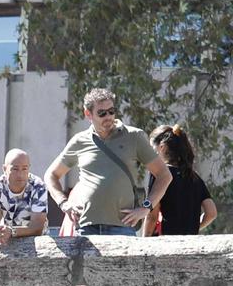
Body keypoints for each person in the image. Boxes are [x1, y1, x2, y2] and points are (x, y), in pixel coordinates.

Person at [44, 87, 170, 236]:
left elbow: (164, 175)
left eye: (111, 111)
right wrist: (63, 203)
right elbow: (51, 175)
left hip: (122, 227)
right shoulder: (79, 141)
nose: (108, 116)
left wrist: (146, 207)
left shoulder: (134, 136)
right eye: (102, 113)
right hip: (86, 228)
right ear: (88, 114)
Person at [147, 125, 215, 236]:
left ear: (162, 147)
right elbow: (211, 213)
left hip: (165, 244)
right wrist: (194, 227)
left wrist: (145, 242)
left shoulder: (160, 174)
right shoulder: (194, 177)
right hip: (190, 244)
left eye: (151, 148)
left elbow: (152, 215)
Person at [0, 148, 51, 243]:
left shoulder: (38, 187)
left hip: (35, 241)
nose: (20, 174)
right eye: (15, 169)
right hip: (4, 238)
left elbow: (37, 228)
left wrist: (12, 232)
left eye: (24, 169)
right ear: (4, 169)